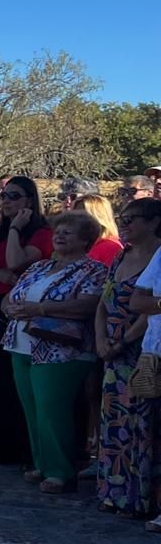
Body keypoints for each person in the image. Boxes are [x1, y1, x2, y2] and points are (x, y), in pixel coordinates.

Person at [2, 211, 106, 493]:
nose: (59, 236)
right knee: (32, 408)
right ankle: (41, 464)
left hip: (62, 349)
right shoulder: (38, 268)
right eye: (58, 231)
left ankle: (61, 471)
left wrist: (41, 309)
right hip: (22, 344)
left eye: (68, 233)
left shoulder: (93, 270)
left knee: (52, 408)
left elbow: (88, 305)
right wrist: (10, 307)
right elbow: (11, 296)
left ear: (86, 240)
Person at [0, 175, 53, 465]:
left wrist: (17, 229)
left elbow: (16, 263)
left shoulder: (42, 233)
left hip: (24, 310)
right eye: (3, 196)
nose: (6, 201)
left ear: (29, 200)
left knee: (16, 385)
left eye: (14, 196)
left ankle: (25, 450)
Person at [95, 198, 161, 517]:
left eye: (133, 218)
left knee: (142, 423)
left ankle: (140, 495)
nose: (125, 223)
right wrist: (101, 340)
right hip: (111, 349)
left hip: (141, 347)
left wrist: (120, 342)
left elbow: (146, 312)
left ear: (153, 222)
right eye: (123, 217)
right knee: (114, 421)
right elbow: (104, 302)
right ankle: (114, 492)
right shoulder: (122, 254)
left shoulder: (158, 256)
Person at [77, 194, 123, 266]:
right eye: (74, 213)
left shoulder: (111, 247)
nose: (75, 219)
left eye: (82, 214)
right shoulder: (80, 245)